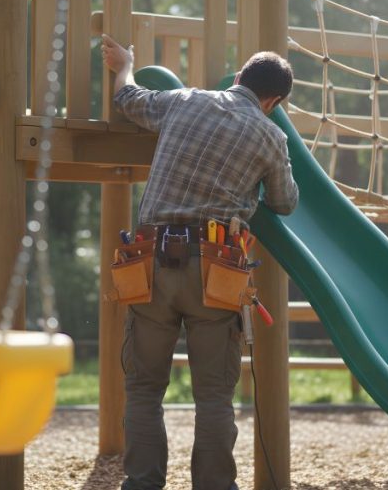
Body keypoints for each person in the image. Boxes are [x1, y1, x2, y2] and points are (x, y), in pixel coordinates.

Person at [101, 34, 298, 490]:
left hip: (149, 258)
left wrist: (124, 64)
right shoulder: (271, 135)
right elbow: (285, 203)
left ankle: (142, 484)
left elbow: (128, 97)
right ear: (273, 100)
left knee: (145, 388)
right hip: (216, 268)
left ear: (239, 77)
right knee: (213, 395)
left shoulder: (186, 101)